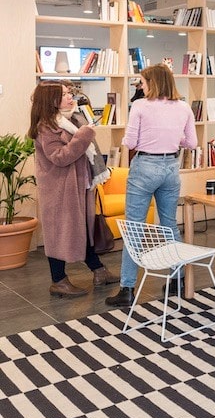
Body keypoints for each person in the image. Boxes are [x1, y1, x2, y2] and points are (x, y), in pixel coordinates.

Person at [106, 65, 198, 307]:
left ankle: (127, 289)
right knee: (169, 225)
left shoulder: (140, 106)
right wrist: (171, 137)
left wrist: (150, 137)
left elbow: (130, 142)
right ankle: (177, 280)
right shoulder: (184, 107)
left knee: (134, 229)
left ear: (153, 82)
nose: (141, 86)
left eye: (143, 82)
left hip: (144, 167)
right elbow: (192, 142)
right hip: (171, 168)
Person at [28, 82, 118, 298]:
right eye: (65, 94)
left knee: (82, 229)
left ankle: (99, 271)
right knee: (59, 233)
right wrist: (84, 135)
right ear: (51, 100)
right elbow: (60, 157)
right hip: (59, 191)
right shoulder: (45, 127)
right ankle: (58, 281)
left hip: (78, 186)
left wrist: (83, 133)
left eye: (69, 93)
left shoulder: (72, 119)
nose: (70, 97)